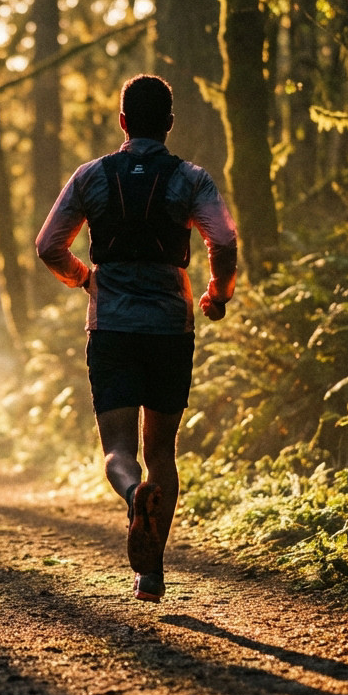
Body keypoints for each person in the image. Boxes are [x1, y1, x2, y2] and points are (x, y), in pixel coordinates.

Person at [35, 74, 238, 602]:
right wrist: (217, 293)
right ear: (170, 123)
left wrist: (84, 277)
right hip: (171, 326)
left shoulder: (91, 177)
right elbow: (224, 238)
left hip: (113, 326)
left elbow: (49, 245)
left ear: (122, 121)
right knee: (163, 451)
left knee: (118, 450)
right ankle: (151, 573)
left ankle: (132, 494)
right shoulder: (191, 179)